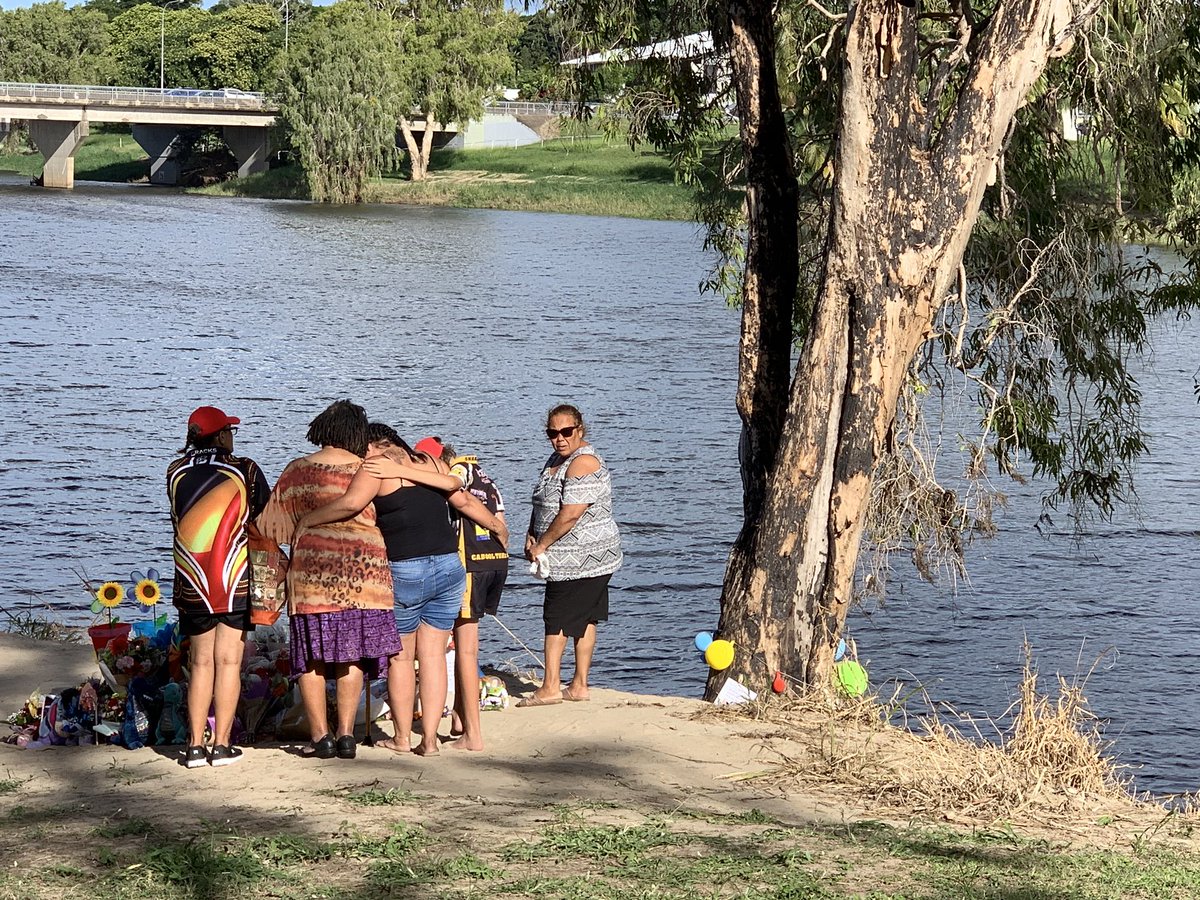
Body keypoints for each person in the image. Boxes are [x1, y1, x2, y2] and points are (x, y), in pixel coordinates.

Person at [303, 424, 505, 756]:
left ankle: (401, 738)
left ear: (372, 445)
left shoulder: (377, 467)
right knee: (434, 656)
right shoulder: (433, 463)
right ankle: (429, 741)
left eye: (360, 450)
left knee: (401, 658)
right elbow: (463, 498)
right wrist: (496, 526)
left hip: (406, 569)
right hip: (449, 566)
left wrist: (308, 520)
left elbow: (350, 504)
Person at [255, 400, 398, 761]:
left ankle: (321, 737)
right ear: (356, 433)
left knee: (312, 659)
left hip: (312, 578)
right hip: (366, 578)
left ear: (322, 431)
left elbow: (272, 527)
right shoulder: (371, 469)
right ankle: (347, 734)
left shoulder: (296, 470)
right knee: (350, 657)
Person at [167, 405, 271, 768]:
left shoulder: (175, 470)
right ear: (222, 435)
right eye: (230, 430)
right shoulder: (245, 469)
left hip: (191, 579)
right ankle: (222, 744)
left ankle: (194, 746)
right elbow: (264, 518)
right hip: (233, 579)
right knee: (228, 662)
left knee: (199, 664)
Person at [412, 436, 509, 752]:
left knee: (466, 650)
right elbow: (503, 523)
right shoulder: (488, 480)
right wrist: (499, 531)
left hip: (469, 564)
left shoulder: (461, 468)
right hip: (494, 561)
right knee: (463, 644)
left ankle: (474, 736)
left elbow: (458, 493)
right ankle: (459, 717)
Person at [521, 404, 622, 707]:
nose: (559, 439)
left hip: (581, 558)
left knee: (556, 619)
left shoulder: (583, 463)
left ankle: (550, 686)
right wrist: (531, 532)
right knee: (585, 618)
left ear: (580, 429)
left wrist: (541, 546)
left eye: (566, 432)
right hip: (577, 556)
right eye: (553, 433)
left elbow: (570, 514)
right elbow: (543, 501)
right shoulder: (556, 459)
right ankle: (579, 685)